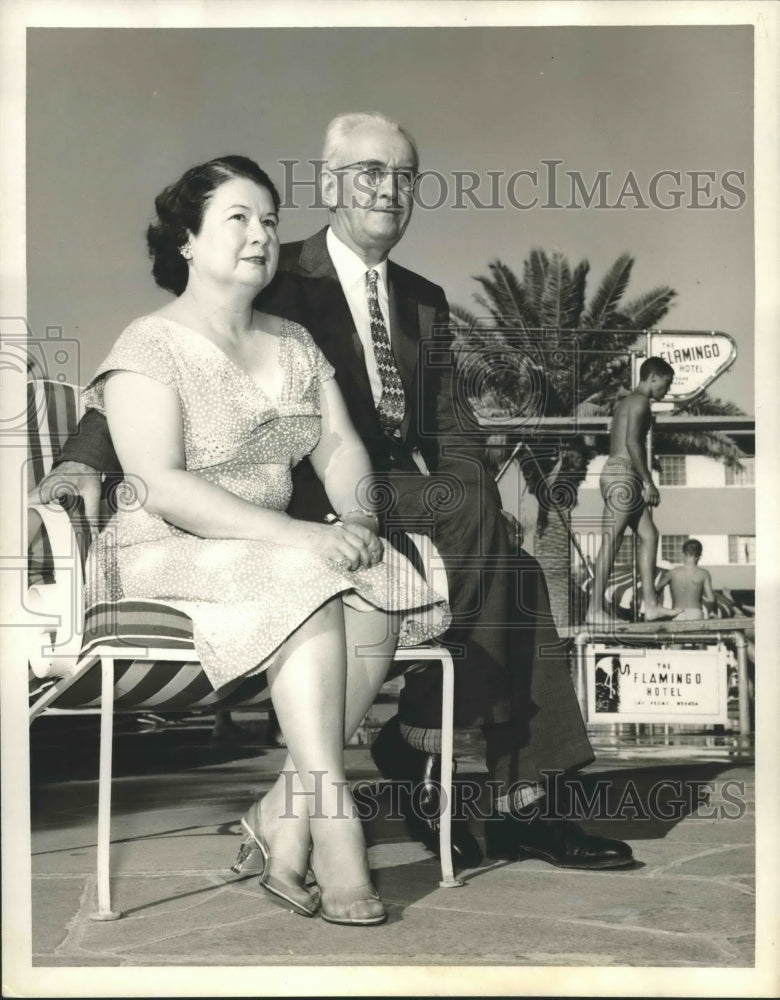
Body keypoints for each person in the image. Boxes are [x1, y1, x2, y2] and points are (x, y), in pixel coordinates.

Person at [37, 112, 633, 872]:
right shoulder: (270, 265)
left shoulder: (424, 299)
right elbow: (150, 370)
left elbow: (450, 426)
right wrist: (83, 459)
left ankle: (518, 799)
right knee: (478, 523)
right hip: (293, 499)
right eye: (369, 173)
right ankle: (428, 759)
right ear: (329, 184)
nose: (390, 190)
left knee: (512, 572)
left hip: (379, 490)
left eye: (404, 176)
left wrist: (472, 493)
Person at [78, 155, 449, 927]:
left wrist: (355, 521)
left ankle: (286, 821)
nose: (259, 235)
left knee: (375, 593)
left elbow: (342, 448)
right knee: (310, 578)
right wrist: (297, 537)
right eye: (237, 218)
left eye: (270, 219)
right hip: (159, 548)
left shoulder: (294, 342)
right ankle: (336, 826)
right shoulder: (150, 343)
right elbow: (161, 483)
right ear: (186, 239)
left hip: (268, 550)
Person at [586, 356, 682, 629]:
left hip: (619, 475)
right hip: (623, 474)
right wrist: (648, 482)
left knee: (650, 534)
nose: (668, 389)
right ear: (653, 377)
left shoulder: (625, 403)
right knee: (612, 541)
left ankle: (651, 605)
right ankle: (594, 609)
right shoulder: (640, 403)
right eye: (667, 382)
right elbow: (632, 442)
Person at [655, 538, 717, 621]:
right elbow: (711, 598)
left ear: (683, 554)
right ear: (699, 556)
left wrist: (660, 606)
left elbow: (655, 589)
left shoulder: (673, 572)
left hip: (677, 613)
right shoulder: (704, 573)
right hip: (696, 613)